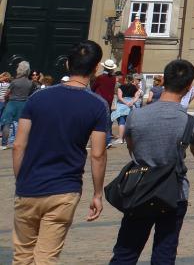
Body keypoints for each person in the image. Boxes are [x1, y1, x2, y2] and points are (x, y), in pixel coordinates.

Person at [10, 40, 111, 265]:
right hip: (64, 189)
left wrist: (21, 180)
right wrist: (97, 194)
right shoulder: (97, 105)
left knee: (22, 255)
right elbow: (97, 154)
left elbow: (18, 145)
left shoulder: (38, 98)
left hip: (29, 185)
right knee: (46, 257)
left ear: (67, 64)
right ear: (95, 69)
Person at [108, 58, 194, 265]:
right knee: (164, 253)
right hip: (174, 191)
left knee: (126, 251)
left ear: (163, 81)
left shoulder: (136, 116)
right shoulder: (192, 122)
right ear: (189, 86)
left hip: (139, 188)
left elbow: (131, 144)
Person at [3, 61, 37, 148]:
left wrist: (6, 100)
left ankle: (4, 144)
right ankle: (21, 142)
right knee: (21, 124)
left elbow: (7, 94)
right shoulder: (31, 83)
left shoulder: (14, 82)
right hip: (23, 104)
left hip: (12, 103)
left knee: (7, 123)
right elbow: (32, 95)